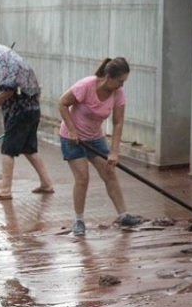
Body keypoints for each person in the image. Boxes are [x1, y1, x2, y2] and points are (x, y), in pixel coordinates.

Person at [58, 57, 142, 236]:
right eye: (120, 81)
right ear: (108, 77)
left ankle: (124, 215)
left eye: (124, 81)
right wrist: (72, 130)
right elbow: (62, 103)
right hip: (72, 138)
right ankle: (79, 220)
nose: (122, 85)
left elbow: (118, 123)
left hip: (95, 138)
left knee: (110, 173)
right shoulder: (86, 86)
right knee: (82, 178)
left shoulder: (118, 93)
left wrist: (114, 151)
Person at [0, 83, 54, 201]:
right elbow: (37, 91)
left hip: (18, 114)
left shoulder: (8, 73)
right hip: (32, 111)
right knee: (29, 149)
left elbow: (8, 92)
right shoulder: (24, 73)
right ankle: (46, 183)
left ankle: (5, 190)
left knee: (7, 150)